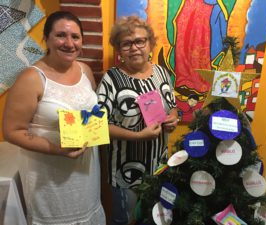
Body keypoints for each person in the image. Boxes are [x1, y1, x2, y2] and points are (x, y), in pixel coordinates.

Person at [2, 11, 106, 225]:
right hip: (49, 181)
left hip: (87, 176)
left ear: (82, 41)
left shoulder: (85, 70)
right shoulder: (31, 78)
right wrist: (57, 149)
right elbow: (12, 131)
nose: (69, 43)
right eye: (61, 35)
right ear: (46, 38)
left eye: (75, 37)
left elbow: (90, 114)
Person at [97, 16, 178, 225]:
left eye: (140, 41)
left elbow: (173, 106)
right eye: (126, 43)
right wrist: (137, 136)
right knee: (125, 221)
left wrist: (173, 118)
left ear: (150, 44)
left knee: (154, 219)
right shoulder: (111, 79)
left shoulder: (162, 72)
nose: (134, 48)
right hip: (126, 172)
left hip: (159, 167)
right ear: (118, 49)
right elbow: (98, 125)